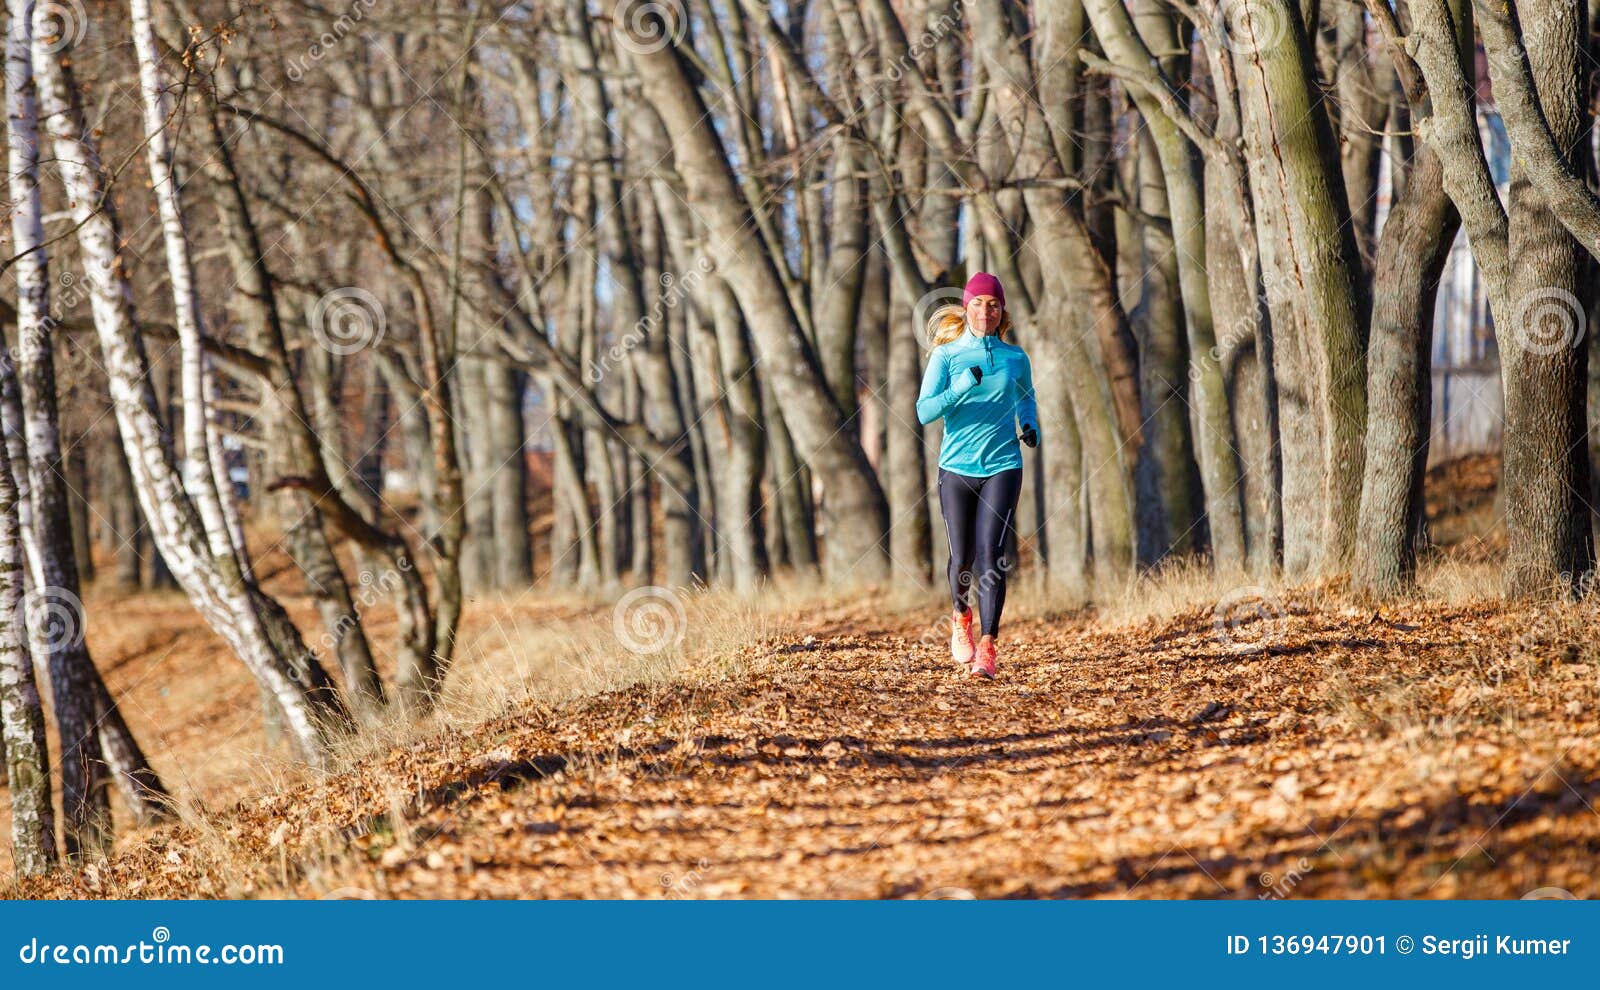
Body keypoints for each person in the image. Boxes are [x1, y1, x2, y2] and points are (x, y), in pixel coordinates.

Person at [915, 272, 1038, 679]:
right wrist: (961, 388)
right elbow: (925, 411)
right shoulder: (947, 356)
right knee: (962, 556)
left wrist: (1029, 423)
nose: (986, 311)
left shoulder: (1015, 358)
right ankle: (960, 613)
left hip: (1004, 464)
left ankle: (988, 646)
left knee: (991, 555)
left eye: (993, 304)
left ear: (1002, 311)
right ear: (965, 309)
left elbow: (1025, 397)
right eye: (977, 304)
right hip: (956, 469)